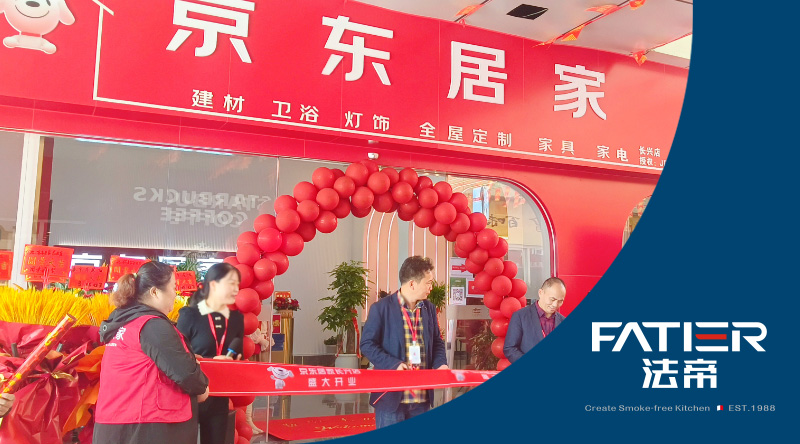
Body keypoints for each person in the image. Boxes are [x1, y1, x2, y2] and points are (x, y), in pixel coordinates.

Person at [93, 261, 209, 444]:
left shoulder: (126, 322)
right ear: (155, 292)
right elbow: (187, 375)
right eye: (173, 287)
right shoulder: (152, 325)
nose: (176, 294)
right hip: (145, 427)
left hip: (119, 425)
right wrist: (202, 385)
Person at [361, 256, 448, 429]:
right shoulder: (381, 308)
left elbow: (437, 341)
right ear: (412, 284)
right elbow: (367, 344)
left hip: (421, 398)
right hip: (391, 398)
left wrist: (441, 363)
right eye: (428, 283)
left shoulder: (429, 309)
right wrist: (393, 364)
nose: (431, 287)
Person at [177, 262, 245, 444]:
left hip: (219, 397)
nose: (236, 289)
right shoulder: (189, 315)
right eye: (231, 283)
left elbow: (239, 354)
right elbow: (177, 354)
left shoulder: (236, 319)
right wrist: (208, 361)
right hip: (191, 396)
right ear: (214, 285)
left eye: (237, 284)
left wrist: (232, 360)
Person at [503, 277, 566, 363]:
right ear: (540, 293)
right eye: (552, 299)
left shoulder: (562, 320)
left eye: (560, 301)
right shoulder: (520, 316)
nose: (555, 305)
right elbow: (510, 348)